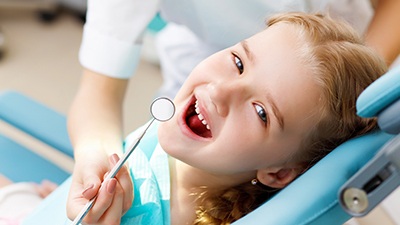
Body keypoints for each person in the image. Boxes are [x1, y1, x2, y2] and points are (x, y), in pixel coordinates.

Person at [67, 5, 400, 222]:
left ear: (280, 173)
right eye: (238, 62)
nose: (221, 91)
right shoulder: (159, 141)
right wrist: (92, 157)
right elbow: (97, 93)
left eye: (260, 112)